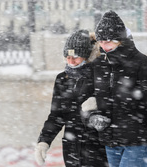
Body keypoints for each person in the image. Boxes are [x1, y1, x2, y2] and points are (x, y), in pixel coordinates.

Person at [83, 10, 147, 167]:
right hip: (110, 140)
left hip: (138, 139)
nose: (103, 45)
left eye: (108, 41)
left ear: (120, 40)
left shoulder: (142, 63)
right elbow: (87, 98)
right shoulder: (99, 65)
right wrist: (91, 116)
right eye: (100, 41)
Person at [35, 30, 108, 167]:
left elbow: (118, 103)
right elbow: (56, 115)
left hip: (97, 147)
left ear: (86, 55)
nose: (71, 61)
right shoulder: (62, 79)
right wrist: (44, 141)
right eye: (67, 56)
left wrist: (98, 103)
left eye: (75, 56)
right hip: (71, 147)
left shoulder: (100, 75)